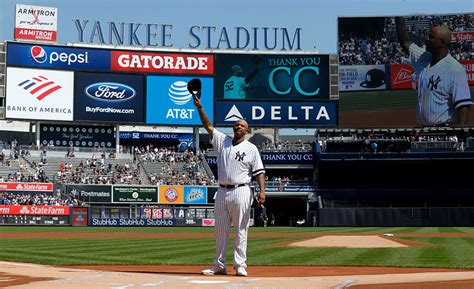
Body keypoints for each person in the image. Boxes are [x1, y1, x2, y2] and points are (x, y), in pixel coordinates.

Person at [194, 92, 265, 277]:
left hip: (242, 190)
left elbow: (259, 172)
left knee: (241, 230)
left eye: (242, 125)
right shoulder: (222, 141)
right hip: (222, 191)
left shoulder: (251, 148)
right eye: (236, 124)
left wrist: (262, 192)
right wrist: (200, 107)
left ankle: (240, 265)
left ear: (247, 131)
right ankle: (218, 265)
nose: (238, 126)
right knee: (220, 231)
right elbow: (208, 126)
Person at [395, 17, 472, 126]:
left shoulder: (455, 69)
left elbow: (463, 106)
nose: (426, 38)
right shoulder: (423, 57)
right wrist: (398, 14)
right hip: (423, 130)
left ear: (441, 42)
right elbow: (405, 42)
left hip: (444, 131)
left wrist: (459, 135)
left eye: (431, 37)